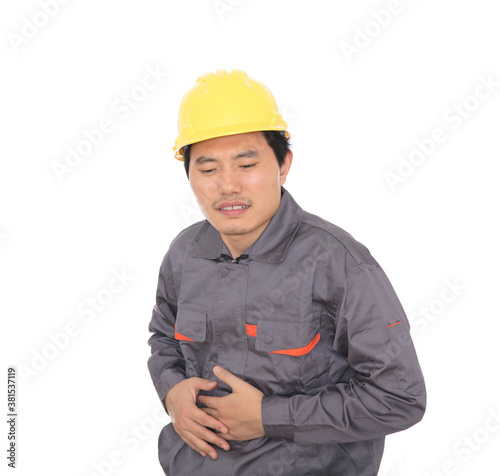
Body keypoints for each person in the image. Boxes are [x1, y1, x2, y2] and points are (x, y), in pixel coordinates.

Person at [147, 69, 426, 476]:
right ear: (189, 175)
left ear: (284, 164)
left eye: (246, 164)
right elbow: (163, 337)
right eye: (208, 169)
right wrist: (172, 391)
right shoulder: (184, 255)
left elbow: (400, 397)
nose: (227, 185)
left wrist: (269, 416)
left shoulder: (339, 264)